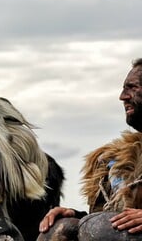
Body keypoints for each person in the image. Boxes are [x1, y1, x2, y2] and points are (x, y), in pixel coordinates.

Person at [38, 58, 142, 240]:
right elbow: (110, 217)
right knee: (60, 229)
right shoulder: (117, 159)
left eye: (132, 87)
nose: (123, 96)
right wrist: (77, 217)